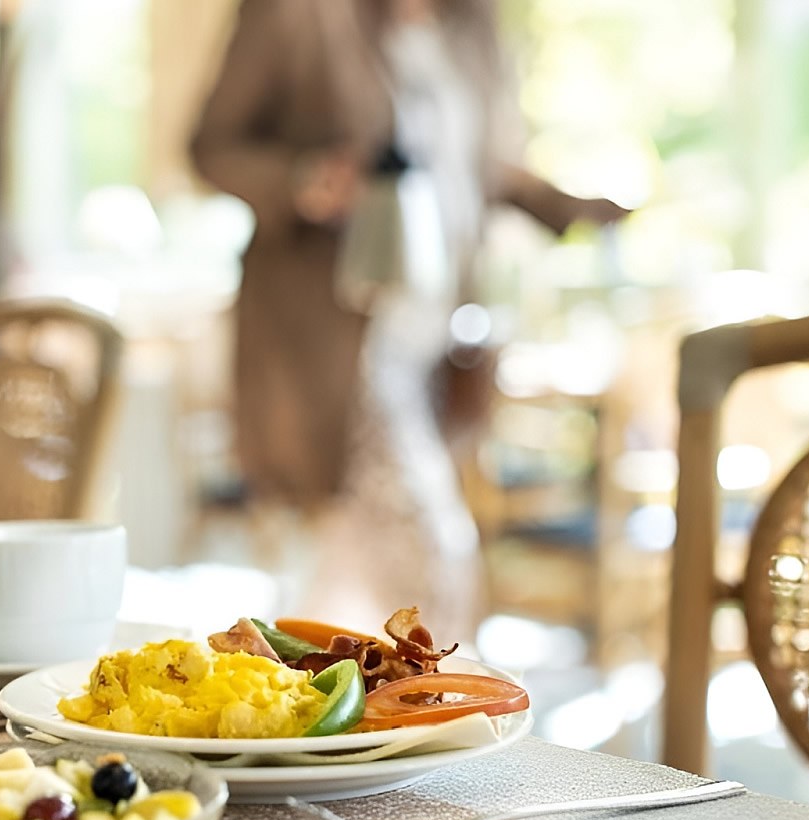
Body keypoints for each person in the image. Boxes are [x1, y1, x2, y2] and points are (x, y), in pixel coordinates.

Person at [190, 0, 629, 638]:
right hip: (337, 338)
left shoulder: (472, 23)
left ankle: (324, 706)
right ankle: (438, 708)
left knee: (350, 559)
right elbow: (211, 146)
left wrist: (563, 206)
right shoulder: (297, 15)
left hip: (437, 336)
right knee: (431, 551)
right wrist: (302, 181)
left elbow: (472, 161)